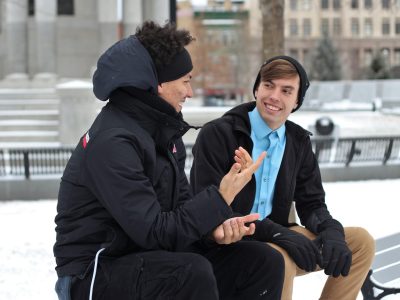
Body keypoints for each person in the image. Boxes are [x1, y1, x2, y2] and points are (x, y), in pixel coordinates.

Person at [53, 21, 285, 300]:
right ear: (158, 84)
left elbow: (179, 212)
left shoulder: (163, 134)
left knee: (262, 261)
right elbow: (154, 232)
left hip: (149, 259)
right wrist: (220, 197)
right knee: (190, 272)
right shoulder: (113, 142)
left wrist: (213, 232)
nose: (190, 91)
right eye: (186, 80)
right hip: (93, 273)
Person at [190, 55, 375, 300]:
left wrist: (331, 231)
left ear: (297, 100)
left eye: (286, 90)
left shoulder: (297, 142)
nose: (274, 96)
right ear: (257, 88)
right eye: (269, 85)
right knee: (279, 259)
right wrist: (278, 233)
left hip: (279, 236)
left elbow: (312, 203)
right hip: (230, 241)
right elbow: (207, 207)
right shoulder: (219, 134)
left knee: (360, 242)